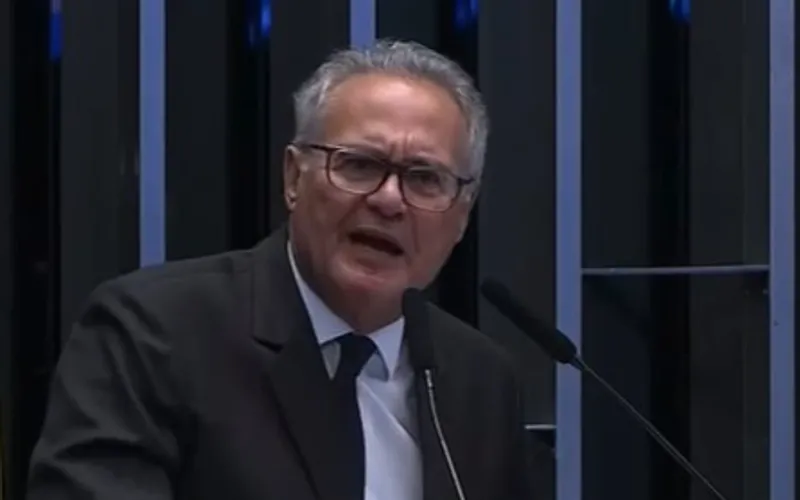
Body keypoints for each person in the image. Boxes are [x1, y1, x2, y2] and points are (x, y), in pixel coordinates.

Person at [27, 39, 534, 500]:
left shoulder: (482, 382)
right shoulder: (155, 334)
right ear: (293, 178)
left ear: (462, 216)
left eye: (424, 178)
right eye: (359, 164)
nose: (388, 200)